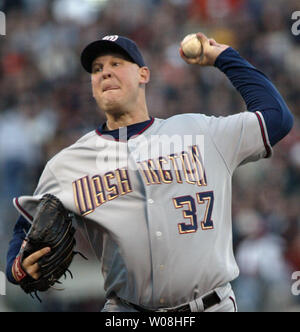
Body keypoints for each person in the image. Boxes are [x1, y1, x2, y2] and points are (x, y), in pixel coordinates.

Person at [6, 33, 293, 312]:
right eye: (97, 69)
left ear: (143, 74)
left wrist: (225, 58)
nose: (105, 73)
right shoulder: (67, 164)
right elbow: (26, 227)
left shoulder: (200, 132)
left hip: (210, 304)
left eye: (116, 64)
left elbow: (276, 118)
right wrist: (17, 268)